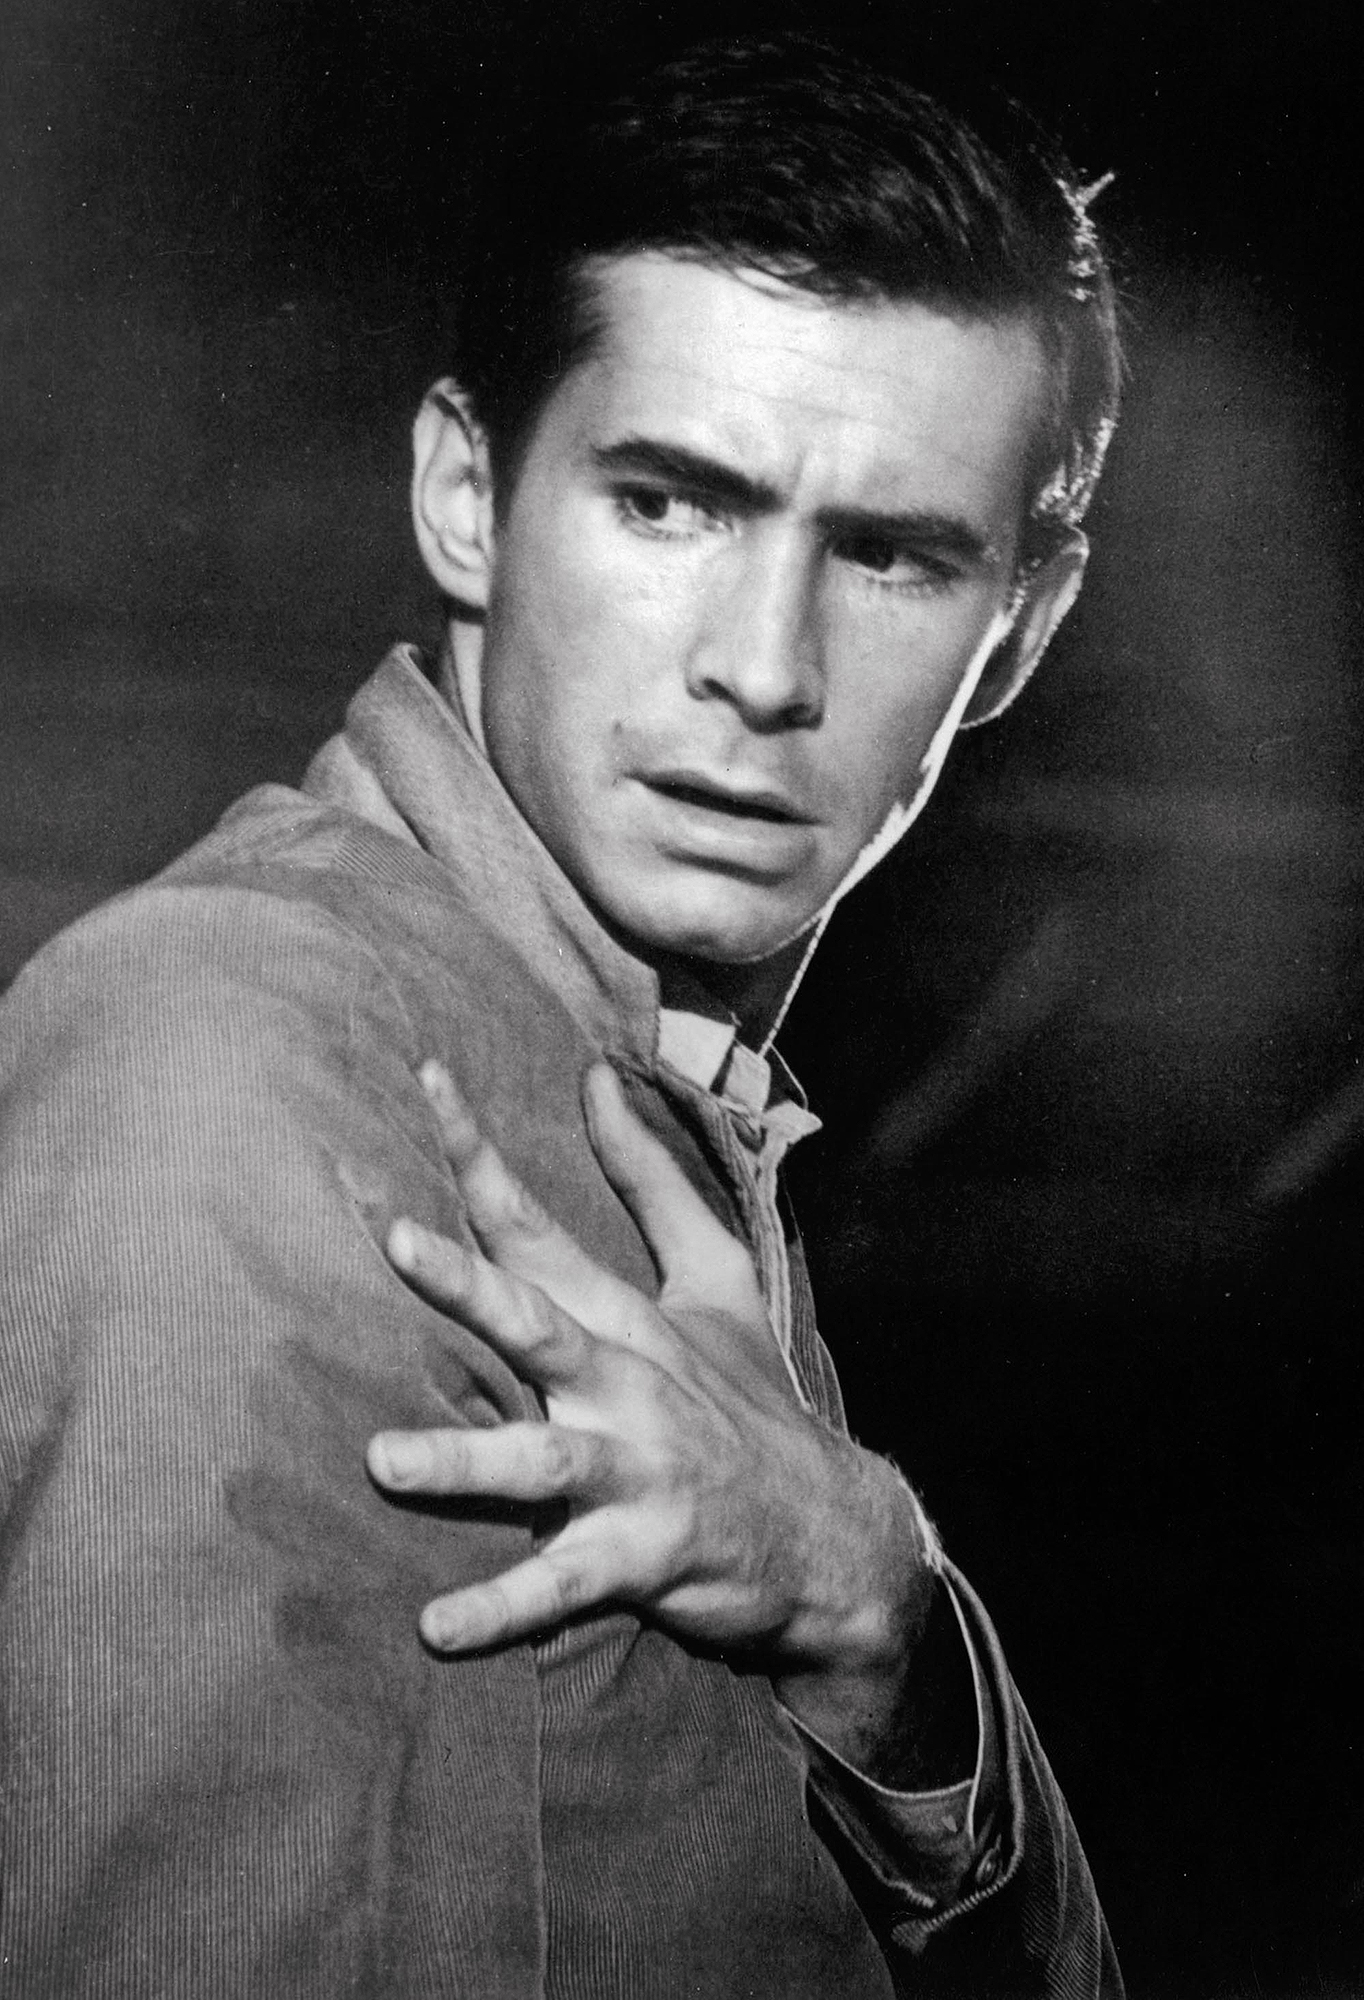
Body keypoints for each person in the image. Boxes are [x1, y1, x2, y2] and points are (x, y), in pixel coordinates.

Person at [0, 34, 1121, 1998]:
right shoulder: (236, 1053)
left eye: (885, 554)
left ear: (1015, 629)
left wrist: (880, 1604)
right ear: (465, 496)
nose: (761, 670)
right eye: (670, 503)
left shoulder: (646, 1116)